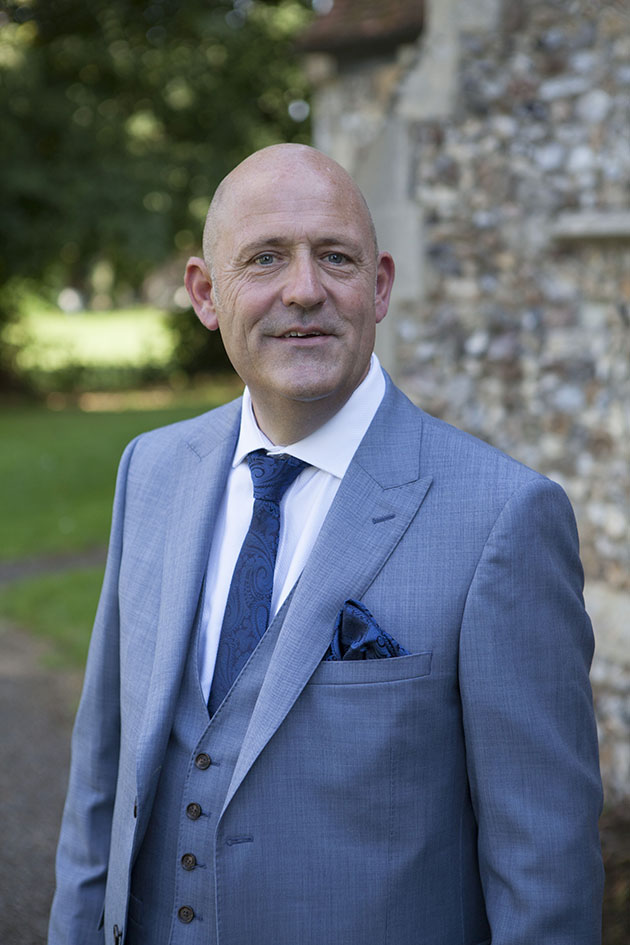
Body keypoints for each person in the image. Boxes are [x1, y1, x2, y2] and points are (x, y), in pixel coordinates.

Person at [49, 144, 604, 945]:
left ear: (378, 286)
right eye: (266, 258)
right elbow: (100, 776)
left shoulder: (504, 518)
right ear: (206, 293)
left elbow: (544, 873)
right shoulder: (152, 471)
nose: (303, 290)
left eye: (334, 258)